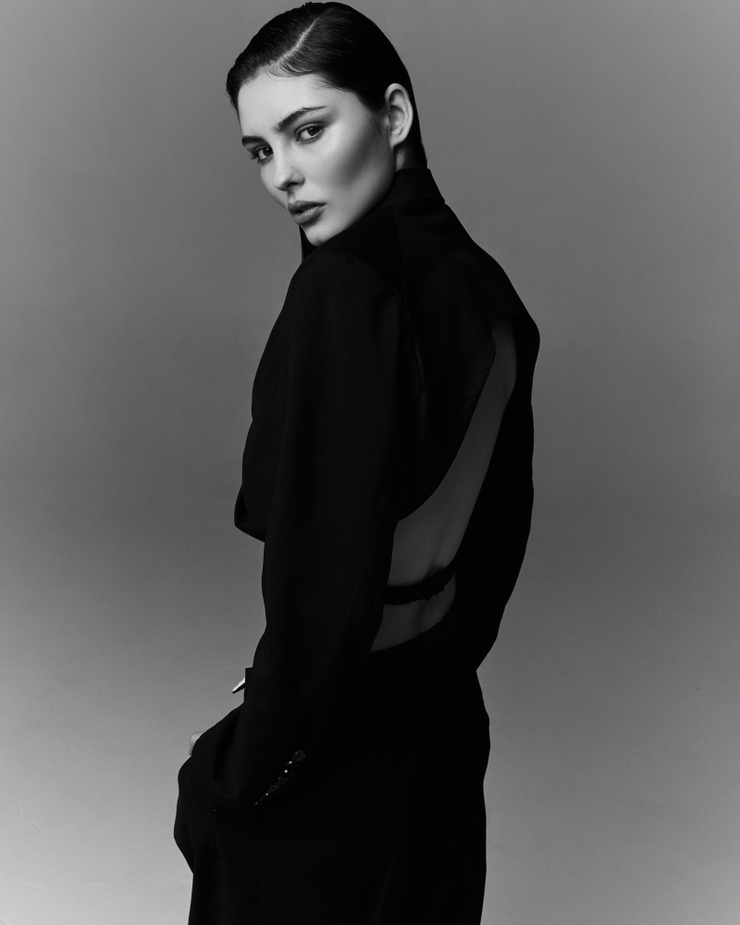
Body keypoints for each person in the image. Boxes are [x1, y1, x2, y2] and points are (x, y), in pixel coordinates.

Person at [174, 3, 539, 923]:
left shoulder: (343, 293)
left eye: (308, 130)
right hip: (444, 718)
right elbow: (499, 532)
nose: (284, 176)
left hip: (343, 740)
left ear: (395, 114)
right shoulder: (486, 285)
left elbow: (323, 578)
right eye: (260, 151)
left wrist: (243, 762)